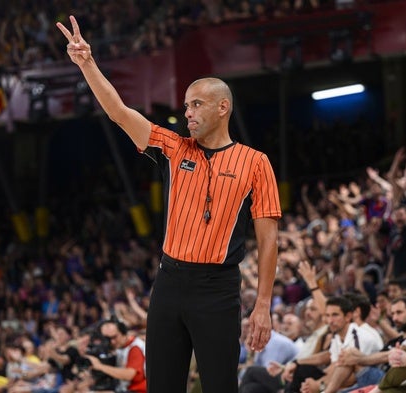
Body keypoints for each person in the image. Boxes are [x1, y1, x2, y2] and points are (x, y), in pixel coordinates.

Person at [56, 15, 281, 393]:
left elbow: (269, 239)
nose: (188, 112)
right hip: (169, 282)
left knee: (220, 386)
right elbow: (120, 113)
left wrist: (263, 305)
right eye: (186, 105)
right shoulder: (174, 149)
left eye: (197, 104)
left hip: (218, 287)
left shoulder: (255, 162)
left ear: (222, 107)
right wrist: (87, 64)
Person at [84, 320, 146, 393]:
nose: (112, 342)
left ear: (123, 332)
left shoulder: (135, 347)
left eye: (114, 337)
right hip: (124, 388)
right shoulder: (119, 347)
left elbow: (129, 375)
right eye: (108, 338)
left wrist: (99, 366)